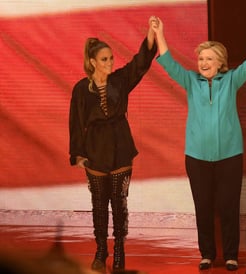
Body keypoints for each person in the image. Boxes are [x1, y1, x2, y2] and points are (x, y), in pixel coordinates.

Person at [150, 17, 246, 271]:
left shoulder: (231, 81)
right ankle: (206, 254)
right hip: (196, 157)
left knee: (229, 207)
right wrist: (159, 32)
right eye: (201, 59)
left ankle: (230, 255)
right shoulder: (190, 82)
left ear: (220, 63)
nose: (203, 63)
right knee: (203, 208)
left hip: (230, 156)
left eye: (208, 59)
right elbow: (169, 63)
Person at [69, 16, 157, 272]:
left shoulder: (120, 80)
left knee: (119, 203)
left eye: (111, 58)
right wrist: (78, 154)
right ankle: (100, 251)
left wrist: (151, 34)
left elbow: (140, 63)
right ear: (92, 62)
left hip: (120, 146)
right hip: (95, 150)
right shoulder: (80, 90)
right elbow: (75, 123)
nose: (109, 63)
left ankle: (119, 253)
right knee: (98, 204)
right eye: (104, 59)